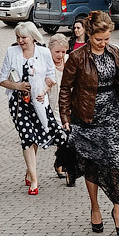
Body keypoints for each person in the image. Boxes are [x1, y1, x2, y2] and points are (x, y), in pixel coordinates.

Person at [57, 10, 119, 236]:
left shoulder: (114, 51)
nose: (103, 43)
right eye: (98, 39)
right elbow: (65, 88)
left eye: (107, 39)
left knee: (117, 162)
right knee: (91, 163)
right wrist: (65, 117)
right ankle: (95, 207)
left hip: (112, 115)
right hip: (86, 116)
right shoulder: (77, 57)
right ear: (89, 35)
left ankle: (118, 209)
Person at [0, 22, 61, 194]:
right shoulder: (12, 53)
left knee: (36, 137)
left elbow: (51, 77)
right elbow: (2, 80)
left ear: (32, 37)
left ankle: (28, 170)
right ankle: (34, 179)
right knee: (26, 137)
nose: (20, 41)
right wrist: (17, 86)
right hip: (19, 104)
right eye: (17, 37)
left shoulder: (44, 52)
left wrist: (45, 90)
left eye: (23, 37)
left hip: (38, 102)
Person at [46, 33, 73, 179]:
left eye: (63, 51)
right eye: (57, 52)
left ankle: (61, 163)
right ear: (50, 50)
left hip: (68, 107)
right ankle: (62, 165)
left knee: (69, 138)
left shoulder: (69, 61)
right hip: (52, 108)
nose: (60, 55)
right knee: (64, 137)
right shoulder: (45, 64)